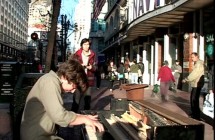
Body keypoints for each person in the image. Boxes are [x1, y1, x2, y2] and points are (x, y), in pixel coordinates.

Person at [20, 59, 104, 140]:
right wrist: (84, 119)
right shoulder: (50, 82)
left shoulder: (51, 80)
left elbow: (60, 113)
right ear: (65, 77)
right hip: (37, 137)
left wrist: (83, 116)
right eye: (74, 86)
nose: (73, 91)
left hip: (43, 135)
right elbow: (59, 116)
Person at [72, 38, 96, 110]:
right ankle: (74, 117)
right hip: (78, 80)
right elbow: (72, 67)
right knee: (76, 101)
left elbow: (96, 68)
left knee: (87, 102)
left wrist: (91, 67)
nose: (86, 46)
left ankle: (86, 117)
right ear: (81, 45)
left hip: (88, 81)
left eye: (88, 44)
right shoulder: (77, 54)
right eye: (84, 44)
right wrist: (80, 66)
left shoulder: (93, 55)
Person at [182, 52, 205, 120]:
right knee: (194, 99)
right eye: (191, 57)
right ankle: (194, 114)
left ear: (197, 56)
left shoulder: (198, 64)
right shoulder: (198, 63)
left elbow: (195, 73)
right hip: (196, 83)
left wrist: (186, 79)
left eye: (192, 57)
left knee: (194, 99)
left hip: (197, 84)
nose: (191, 59)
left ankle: (196, 115)